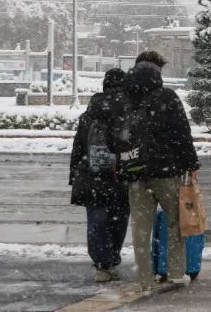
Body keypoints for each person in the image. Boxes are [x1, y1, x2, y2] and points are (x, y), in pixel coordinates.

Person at [117, 51, 200, 291]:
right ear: (157, 72)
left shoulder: (125, 100)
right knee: (175, 222)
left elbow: (116, 138)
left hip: (135, 171)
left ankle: (144, 279)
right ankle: (175, 271)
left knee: (140, 228)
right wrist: (191, 164)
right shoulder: (167, 97)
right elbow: (182, 134)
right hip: (166, 171)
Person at [69, 68, 130, 282]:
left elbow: (78, 146)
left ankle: (101, 264)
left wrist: (74, 176)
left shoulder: (90, 113)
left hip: (91, 176)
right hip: (120, 176)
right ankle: (112, 258)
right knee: (118, 219)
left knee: (97, 221)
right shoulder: (128, 111)